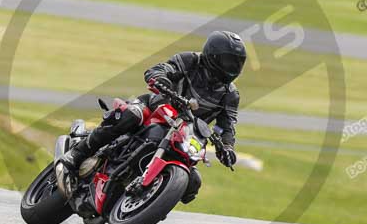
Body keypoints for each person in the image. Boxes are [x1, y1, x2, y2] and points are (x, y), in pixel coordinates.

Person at [60, 30, 246, 203]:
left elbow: (226, 125)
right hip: (157, 108)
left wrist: (227, 146)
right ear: (212, 56)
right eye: (229, 61)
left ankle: (148, 201)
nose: (233, 67)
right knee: (131, 115)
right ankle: (77, 154)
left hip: (186, 132)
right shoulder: (190, 61)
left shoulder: (230, 95)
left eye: (238, 63)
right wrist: (161, 79)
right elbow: (161, 69)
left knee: (192, 183)